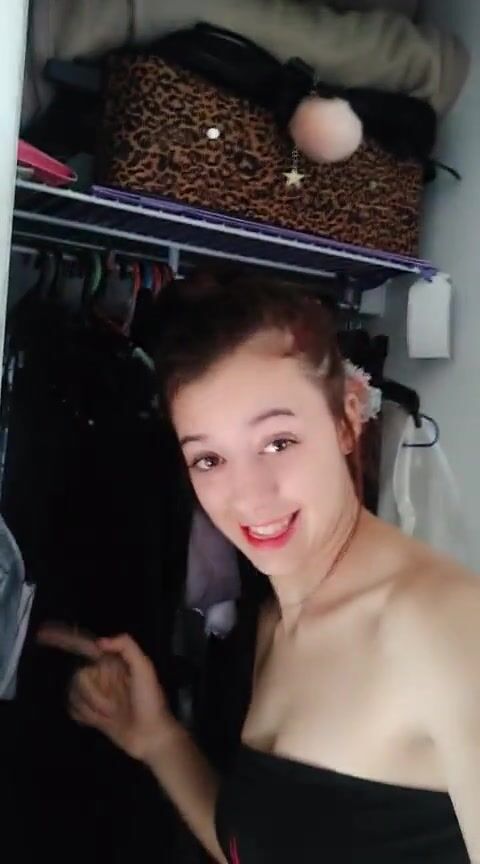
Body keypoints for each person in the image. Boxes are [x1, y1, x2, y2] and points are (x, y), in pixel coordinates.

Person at [38, 271, 480, 864]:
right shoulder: (274, 620)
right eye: (209, 459)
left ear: (347, 419)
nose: (248, 495)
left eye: (278, 442)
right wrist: (158, 736)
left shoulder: (447, 627)